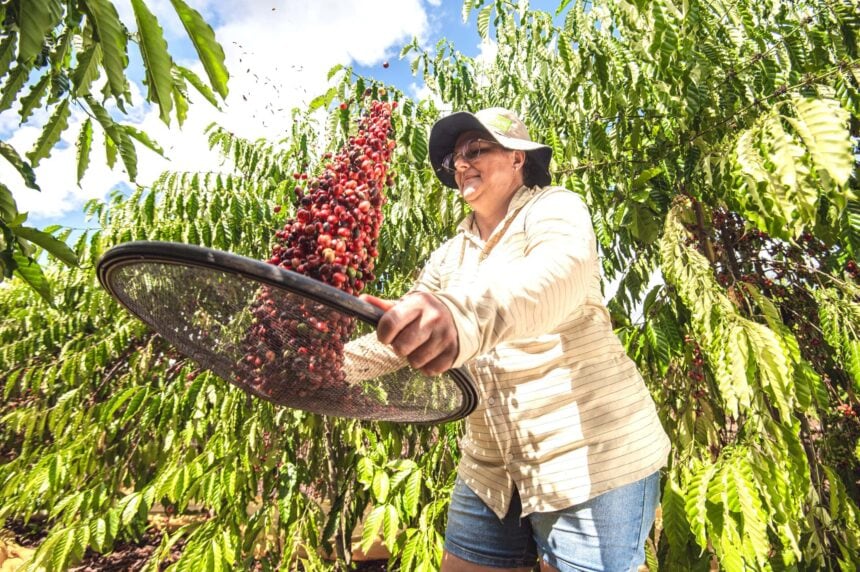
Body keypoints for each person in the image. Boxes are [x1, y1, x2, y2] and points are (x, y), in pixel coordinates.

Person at [361, 107, 671, 572]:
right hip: (491, 465)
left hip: (590, 457)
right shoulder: (451, 254)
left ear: (518, 159)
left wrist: (459, 317)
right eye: (454, 160)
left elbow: (555, 275)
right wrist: (329, 366)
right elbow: (408, 330)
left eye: (475, 149)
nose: (461, 163)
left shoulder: (554, 209)